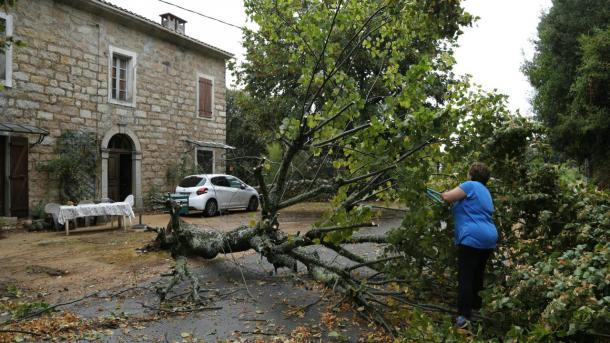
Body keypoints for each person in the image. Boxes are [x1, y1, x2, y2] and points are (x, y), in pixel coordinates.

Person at [441, 162, 498, 328]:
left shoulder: (470, 185)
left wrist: (444, 194)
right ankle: (476, 309)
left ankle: (464, 317)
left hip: (472, 237)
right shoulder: (485, 191)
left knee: (466, 277)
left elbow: (448, 197)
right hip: (489, 237)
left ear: (472, 174)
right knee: (477, 275)